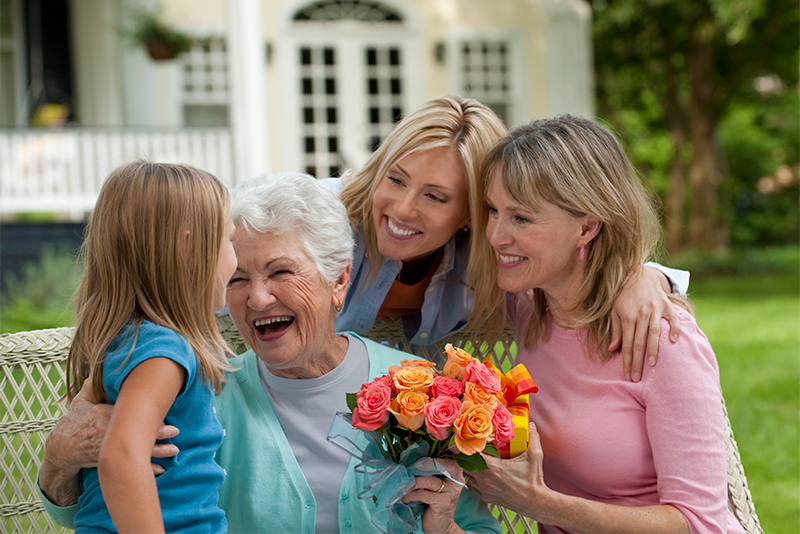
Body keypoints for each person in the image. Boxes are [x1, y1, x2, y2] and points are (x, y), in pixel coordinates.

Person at [39, 172, 501, 534]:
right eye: (237, 278)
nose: (257, 299)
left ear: (339, 280)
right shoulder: (199, 389)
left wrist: (445, 528)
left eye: (281, 272)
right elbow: (91, 507)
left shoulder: (426, 393)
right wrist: (60, 458)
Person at [465, 116, 745, 533]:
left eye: (521, 219)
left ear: (588, 226)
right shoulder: (529, 306)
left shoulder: (661, 338)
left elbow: (697, 523)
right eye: (493, 210)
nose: (496, 235)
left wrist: (536, 503)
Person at [321, 95, 690, 379]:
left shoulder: (487, 256)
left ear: (470, 212)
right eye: (396, 179)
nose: (402, 209)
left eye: (435, 196)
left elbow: (565, 262)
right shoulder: (317, 218)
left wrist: (644, 275)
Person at [63, 161, 234, 533]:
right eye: (229, 240)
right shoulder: (163, 352)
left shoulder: (131, 340)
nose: (235, 259)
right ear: (191, 250)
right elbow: (121, 457)